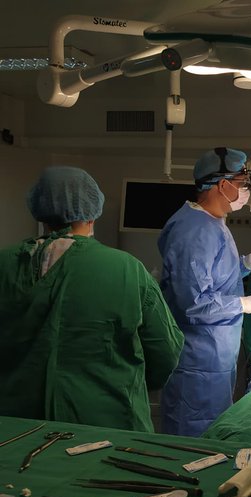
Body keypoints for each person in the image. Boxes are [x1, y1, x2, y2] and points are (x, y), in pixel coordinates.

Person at [0, 166, 184, 432]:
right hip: (107, 427)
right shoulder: (126, 269)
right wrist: (127, 383)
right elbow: (165, 353)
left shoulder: (5, 264)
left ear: (38, 209)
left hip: (16, 431)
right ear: (92, 213)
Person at [158, 147, 251, 437]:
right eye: (242, 186)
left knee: (214, 436)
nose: (245, 193)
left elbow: (216, 275)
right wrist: (247, 304)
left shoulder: (213, 222)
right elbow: (194, 303)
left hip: (214, 359)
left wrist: (249, 262)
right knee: (192, 444)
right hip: (197, 363)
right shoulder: (193, 231)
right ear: (223, 185)